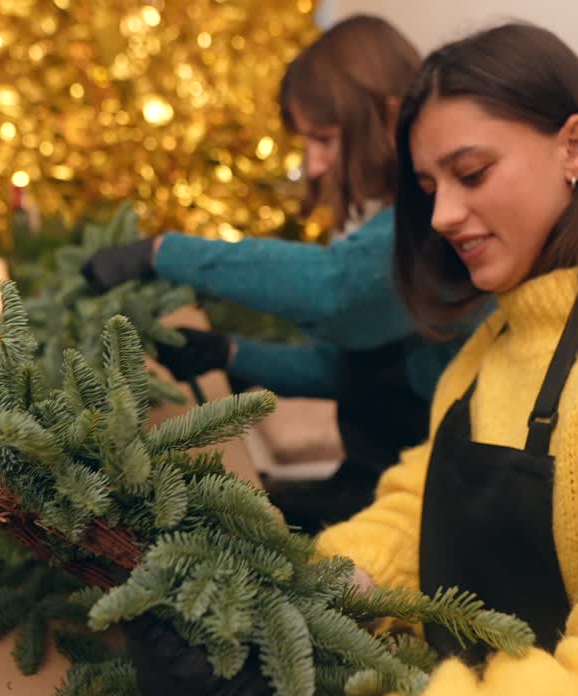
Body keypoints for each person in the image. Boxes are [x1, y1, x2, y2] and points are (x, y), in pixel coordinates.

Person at [123, 20, 578, 696]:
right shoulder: (495, 341)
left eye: (472, 173)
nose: (445, 214)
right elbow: (416, 510)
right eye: (428, 186)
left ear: (574, 147)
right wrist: (302, 607)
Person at [82, 15, 464, 534]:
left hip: (432, 511)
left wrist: (162, 251)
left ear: (386, 116)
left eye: (325, 139)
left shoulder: (436, 222)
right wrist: (231, 354)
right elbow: (348, 370)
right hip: (370, 482)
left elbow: (333, 290)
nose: (315, 166)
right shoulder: (391, 221)